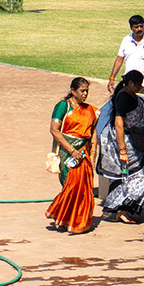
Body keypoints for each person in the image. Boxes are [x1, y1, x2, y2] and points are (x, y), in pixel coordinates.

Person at [98, 70, 144, 224]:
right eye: (138, 84)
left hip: (137, 144)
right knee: (131, 176)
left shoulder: (134, 98)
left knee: (139, 175)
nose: (140, 87)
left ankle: (124, 210)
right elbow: (119, 124)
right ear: (130, 83)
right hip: (127, 144)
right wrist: (123, 150)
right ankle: (120, 208)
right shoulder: (123, 98)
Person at [46, 77, 98, 234]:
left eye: (87, 91)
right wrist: (71, 150)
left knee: (83, 188)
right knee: (69, 185)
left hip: (83, 153)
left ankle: (74, 220)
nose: (85, 94)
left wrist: (93, 154)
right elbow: (54, 130)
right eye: (82, 91)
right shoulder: (63, 106)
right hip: (68, 152)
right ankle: (62, 215)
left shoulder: (90, 110)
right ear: (72, 91)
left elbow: (93, 134)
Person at [108, 15, 144, 101]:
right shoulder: (126, 40)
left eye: (141, 26)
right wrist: (112, 78)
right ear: (131, 27)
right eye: (136, 27)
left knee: (143, 110)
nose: (139, 29)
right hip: (129, 84)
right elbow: (119, 60)